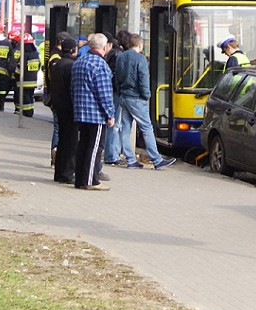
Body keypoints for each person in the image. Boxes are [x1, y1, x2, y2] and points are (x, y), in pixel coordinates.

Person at [115, 33, 177, 170]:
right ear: (140, 44)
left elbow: (117, 77)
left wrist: (120, 93)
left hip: (124, 97)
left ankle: (130, 160)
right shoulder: (140, 59)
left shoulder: (120, 57)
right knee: (147, 128)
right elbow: (143, 78)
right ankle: (157, 160)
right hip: (137, 98)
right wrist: (146, 95)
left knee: (125, 129)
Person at [71, 33, 115, 191]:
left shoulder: (79, 61)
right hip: (95, 114)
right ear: (104, 47)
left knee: (83, 145)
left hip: (80, 111)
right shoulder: (100, 65)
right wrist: (110, 114)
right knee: (95, 148)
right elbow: (104, 94)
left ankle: (80, 179)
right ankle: (91, 180)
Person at [49, 37, 78, 185]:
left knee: (62, 140)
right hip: (69, 107)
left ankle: (59, 173)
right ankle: (67, 174)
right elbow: (73, 89)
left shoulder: (58, 63)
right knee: (70, 142)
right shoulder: (71, 66)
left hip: (58, 106)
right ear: (74, 50)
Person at [46, 31, 73, 167]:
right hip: (58, 97)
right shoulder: (55, 58)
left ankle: (56, 156)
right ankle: (55, 156)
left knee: (59, 127)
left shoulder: (56, 56)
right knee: (58, 128)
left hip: (56, 96)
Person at [102, 32, 124, 166]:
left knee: (113, 124)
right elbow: (116, 76)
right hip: (115, 93)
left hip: (112, 92)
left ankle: (112, 153)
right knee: (114, 124)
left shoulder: (111, 54)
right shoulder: (117, 54)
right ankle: (111, 155)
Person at [8, 33, 41, 116]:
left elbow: (20, 67)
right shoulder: (35, 54)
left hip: (23, 81)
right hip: (33, 80)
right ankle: (30, 111)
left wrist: (15, 75)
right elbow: (38, 65)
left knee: (24, 97)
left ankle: (27, 112)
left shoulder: (24, 54)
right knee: (30, 97)